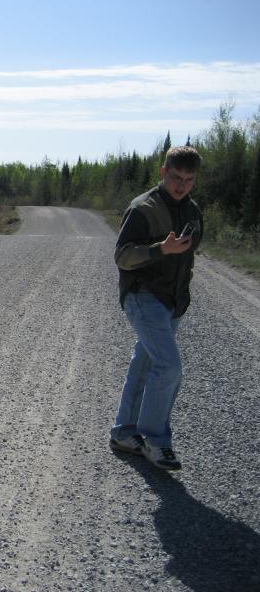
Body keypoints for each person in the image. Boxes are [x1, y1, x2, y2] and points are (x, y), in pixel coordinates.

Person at [109, 145, 203, 471]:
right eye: (176, 177)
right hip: (142, 295)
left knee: (146, 364)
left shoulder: (192, 211)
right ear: (163, 173)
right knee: (169, 366)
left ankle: (124, 432)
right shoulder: (143, 209)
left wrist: (181, 298)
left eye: (189, 180)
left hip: (171, 302)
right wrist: (160, 249)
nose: (181, 185)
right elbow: (122, 256)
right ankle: (155, 440)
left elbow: (188, 258)